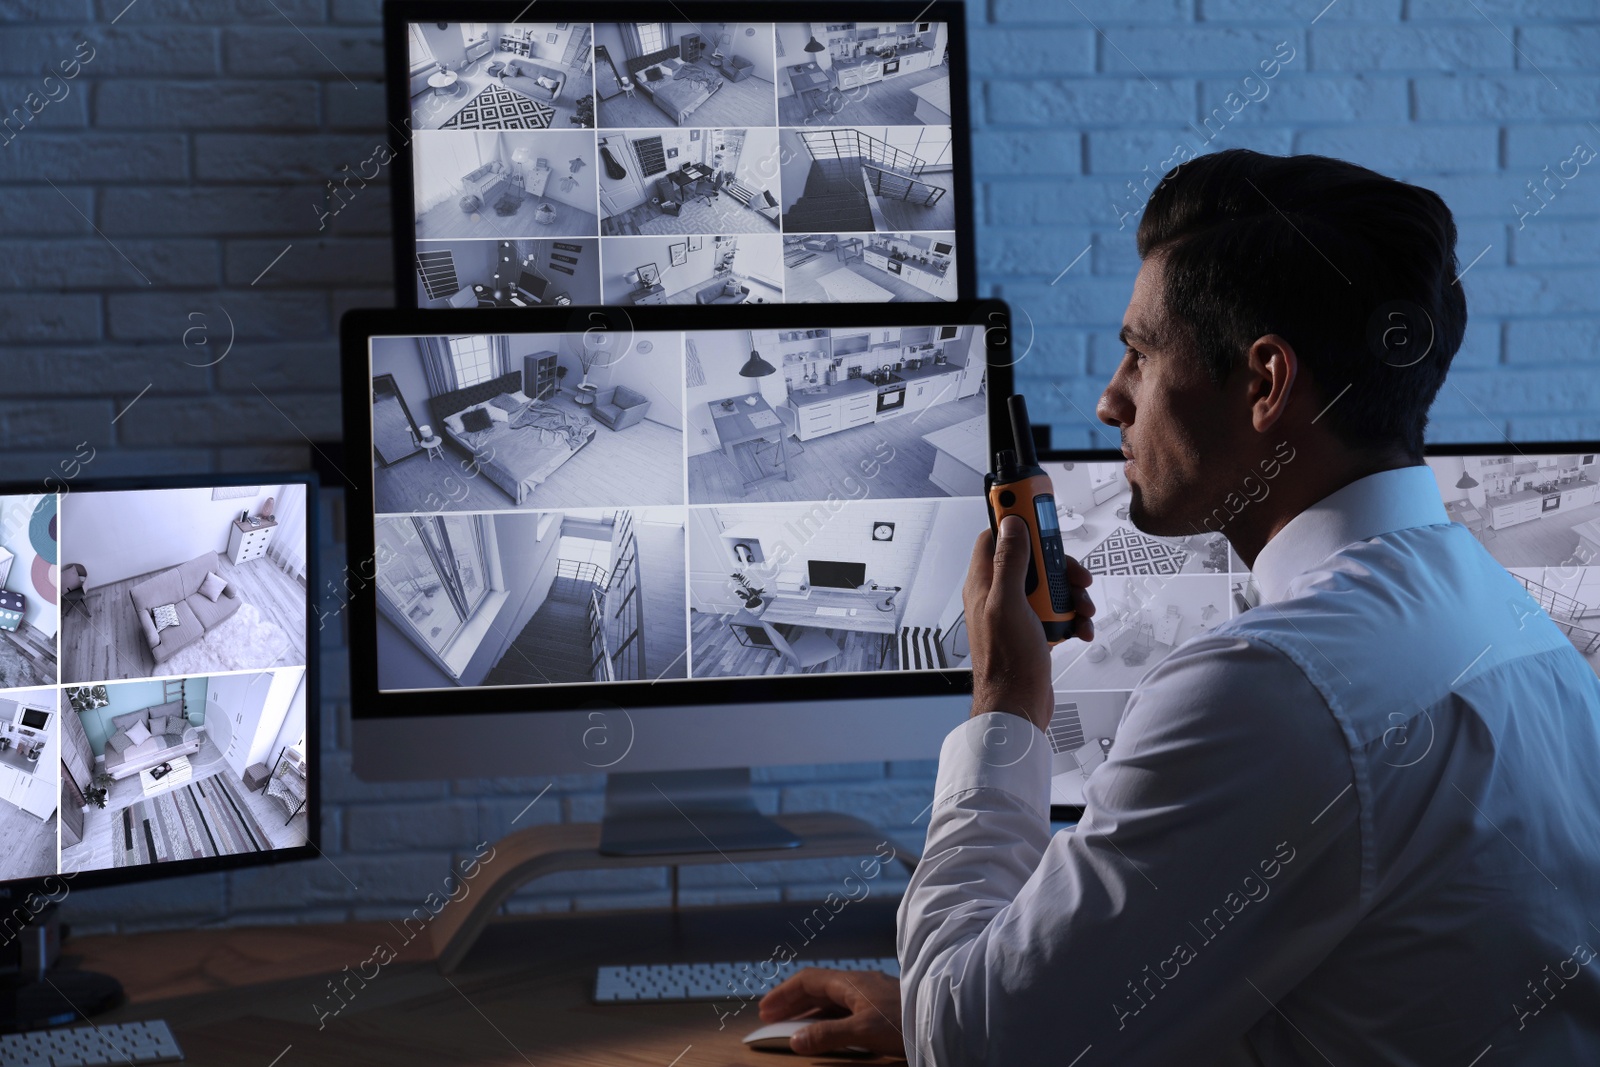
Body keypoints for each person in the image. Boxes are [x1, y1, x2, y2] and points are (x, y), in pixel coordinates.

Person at [758, 149, 1600, 1062]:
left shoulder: (1273, 687)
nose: (1110, 399)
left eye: (1140, 353)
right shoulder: (1517, 627)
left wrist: (1007, 698)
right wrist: (947, 1002)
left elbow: (980, 1048)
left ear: (1265, 383)